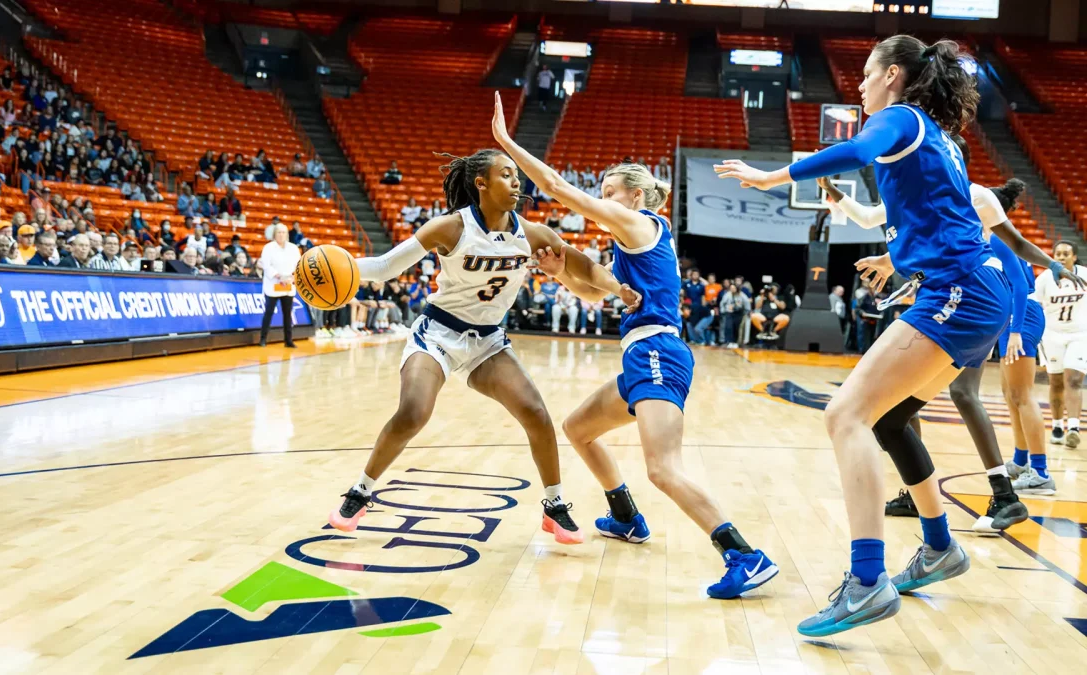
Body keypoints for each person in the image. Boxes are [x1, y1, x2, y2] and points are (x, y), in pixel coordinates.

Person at [715, 36, 1085, 636]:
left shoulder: (898, 118)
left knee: (845, 416)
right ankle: (939, 546)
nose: (857, 87)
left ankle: (866, 581)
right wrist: (899, 261)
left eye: (864, 75)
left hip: (958, 294)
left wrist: (774, 174)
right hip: (975, 290)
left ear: (891, 75)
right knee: (888, 420)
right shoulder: (940, 135)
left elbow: (858, 149)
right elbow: (939, 218)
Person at [493, 92, 778, 599]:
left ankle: (744, 555)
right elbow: (593, 291)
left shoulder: (639, 225)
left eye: (609, 191)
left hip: (658, 353)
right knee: (579, 428)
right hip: (640, 356)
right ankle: (625, 516)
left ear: (636, 198)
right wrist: (563, 277)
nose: (602, 198)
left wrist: (507, 143)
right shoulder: (633, 242)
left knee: (662, 467)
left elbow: (556, 186)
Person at [328, 147, 639, 546]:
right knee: (412, 413)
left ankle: (554, 505)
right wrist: (341, 268)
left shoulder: (532, 234)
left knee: (536, 412)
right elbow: (387, 267)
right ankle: (361, 491)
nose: (517, 182)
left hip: (487, 341)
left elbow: (585, 268)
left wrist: (617, 288)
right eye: (507, 175)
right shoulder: (450, 228)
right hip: (437, 333)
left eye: (516, 175)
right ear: (481, 184)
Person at [823, 170, 1045, 527]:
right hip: (971, 305)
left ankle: (1016, 481)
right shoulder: (930, 201)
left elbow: (1018, 279)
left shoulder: (974, 209)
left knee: (970, 396)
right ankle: (955, 497)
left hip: (980, 305)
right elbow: (896, 232)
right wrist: (889, 259)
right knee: (899, 412)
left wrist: (1016, 329)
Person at [1027, 240, 1087, 490]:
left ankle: (1073, 426)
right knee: (1056, 381)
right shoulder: (1044, 279)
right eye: (1057, 254)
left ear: (1074, 257)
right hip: (1052, 335)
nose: (1061, 257)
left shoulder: (1084, 275)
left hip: (1079, 334)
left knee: (1074, 379)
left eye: (1066, 254)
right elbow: (1034, 304)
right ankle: (1058, 426)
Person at [257, 224, 300, 348]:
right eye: (279, 232)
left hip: (288, 284)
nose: (281, 235)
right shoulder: (268, 248)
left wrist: (291, 277)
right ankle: (263, 338)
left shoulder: (293, 248)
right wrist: (279, 276)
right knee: (269, 312)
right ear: (274, 234)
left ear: (287, 234)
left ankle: (288, 340)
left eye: (283, 232)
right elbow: (266, 265)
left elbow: (298, 265)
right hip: (273, 284)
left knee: (288, 313)